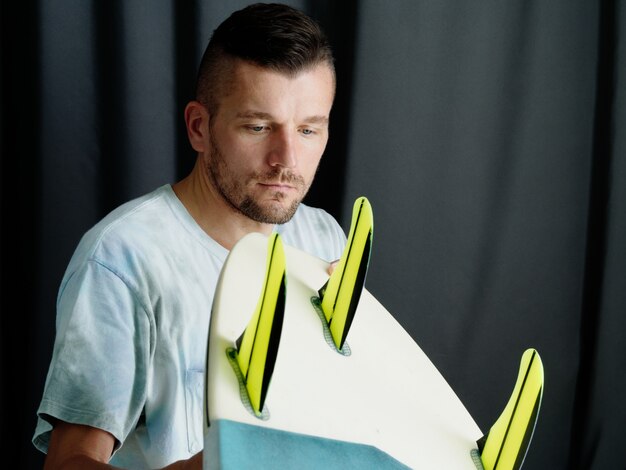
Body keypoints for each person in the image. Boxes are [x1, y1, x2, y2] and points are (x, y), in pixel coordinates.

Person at [32, 3, 346, 469]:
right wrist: (226, 462)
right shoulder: (122, 258)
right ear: (200, 128)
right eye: (258, 127)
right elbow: (69, 463)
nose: (288, 160)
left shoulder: (325, 237)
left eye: (307, 129)